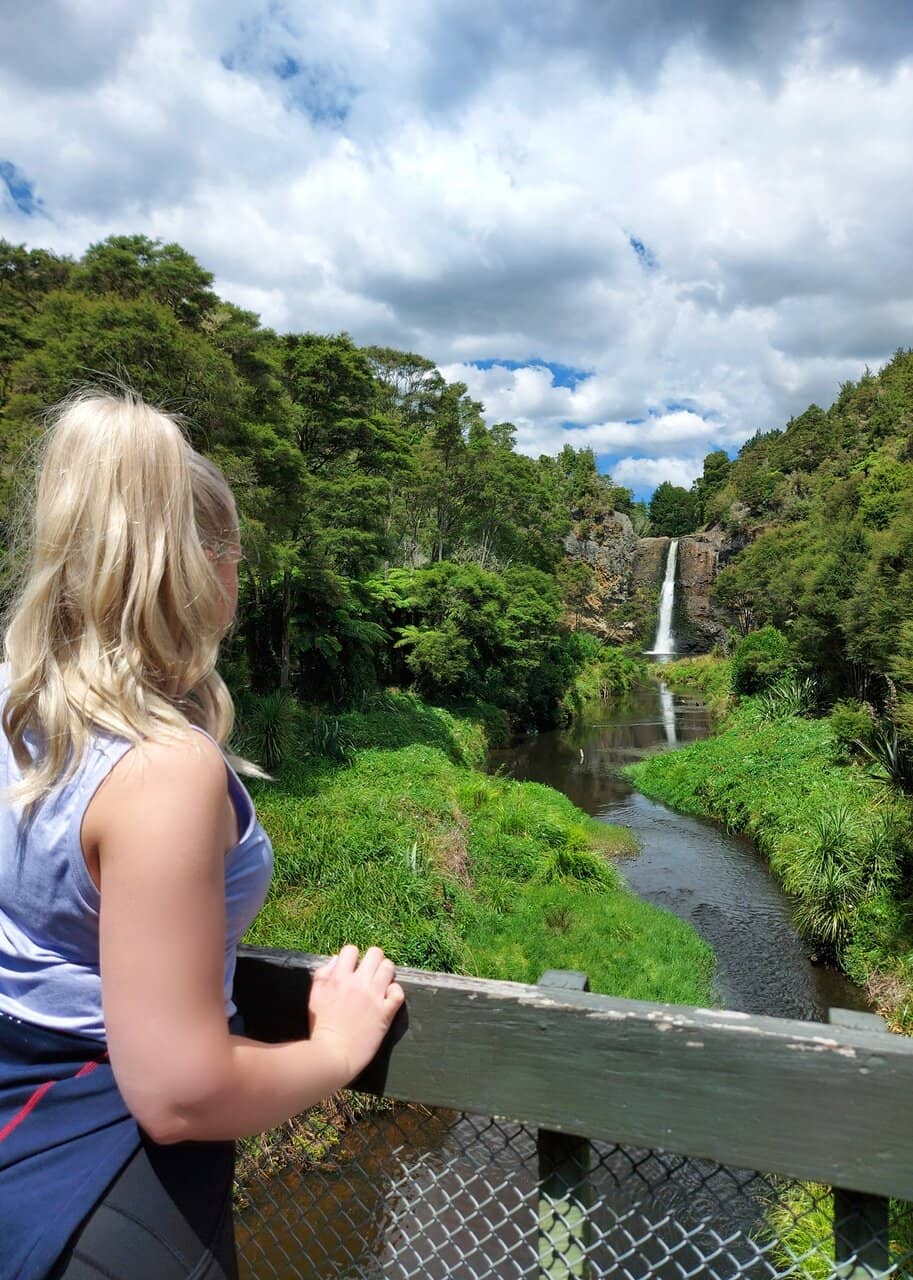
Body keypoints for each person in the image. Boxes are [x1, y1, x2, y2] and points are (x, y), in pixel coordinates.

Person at [0, 390, 405, 1279]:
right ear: (200, 566)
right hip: (101, 1175)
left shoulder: (10, 700)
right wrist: (335, 1049)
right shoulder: (158, 769)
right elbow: (179, 1094)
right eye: (234, 556)